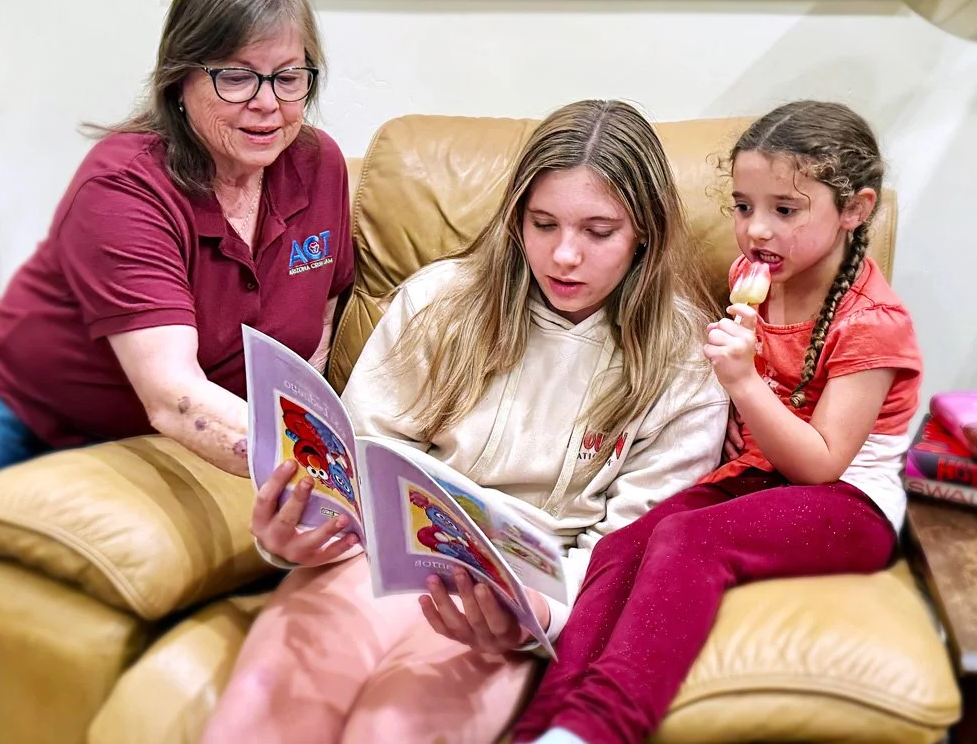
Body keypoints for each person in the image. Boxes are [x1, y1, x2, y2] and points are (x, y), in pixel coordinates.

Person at [201, 99, 730, 744]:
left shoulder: (686, 361)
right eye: (543, 224)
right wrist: (296, 535)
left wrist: (539, 615)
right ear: (516, 219)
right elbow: (361, 461)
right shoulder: (439, 300)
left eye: (599, 232)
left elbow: (632, 549)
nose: (565, 255)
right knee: (267, 717)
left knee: (389, 731)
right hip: (377, 561)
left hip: (514, 596)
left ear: (644, 232)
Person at [513, 100, 923, 744]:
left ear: (855, 209)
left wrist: (745, 387)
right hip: (757, 476)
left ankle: (600, 727)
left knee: (689, 541)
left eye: (785, 210)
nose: (756, 230)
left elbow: (821, 464)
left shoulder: (873, 323)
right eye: (742, 205)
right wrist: (738, 408)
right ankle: (546, 724)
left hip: (848, 502)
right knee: (620, 548)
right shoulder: (751, 277)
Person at [0, 0, 353, 479]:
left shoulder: (318, 165)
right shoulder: (122, 186)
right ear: (179, 80)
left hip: (190, 431)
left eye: (288, 78)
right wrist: (324, 476)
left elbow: (324, 316)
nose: (268, 103)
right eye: (237, 77)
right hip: (25, 410)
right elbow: (174, 396)